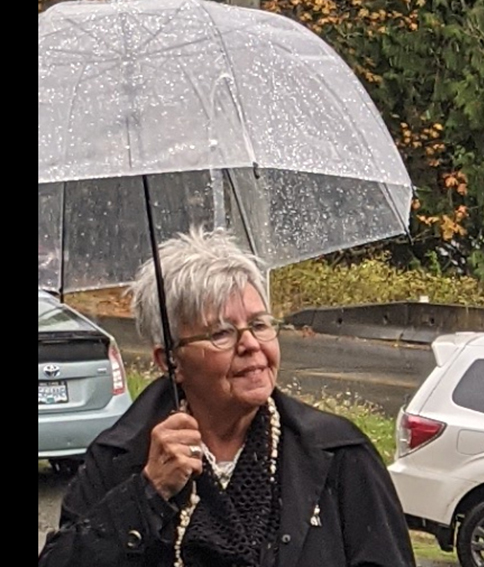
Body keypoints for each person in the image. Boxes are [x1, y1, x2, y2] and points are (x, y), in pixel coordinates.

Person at [38, 226, 416, 567]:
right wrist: (147, 493)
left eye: (258, 324)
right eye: (221, 333)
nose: (250, 344)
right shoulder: (120, 459)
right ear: (170, 362)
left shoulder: (339, 455)